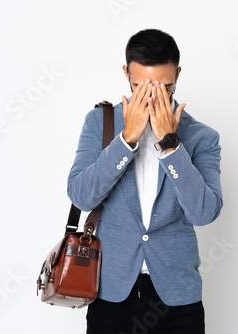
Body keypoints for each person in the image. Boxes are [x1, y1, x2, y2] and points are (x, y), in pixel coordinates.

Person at [67, 28, 223, 334]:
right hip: (110, 290)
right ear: (126, 74)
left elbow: (204, 213)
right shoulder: (100, 122)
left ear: (178, 74)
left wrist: (171, 145)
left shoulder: (203, 137)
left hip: (177, 296)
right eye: (140, 87)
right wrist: (126, 138)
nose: (152, 97)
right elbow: (81, 197)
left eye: (165, 88)